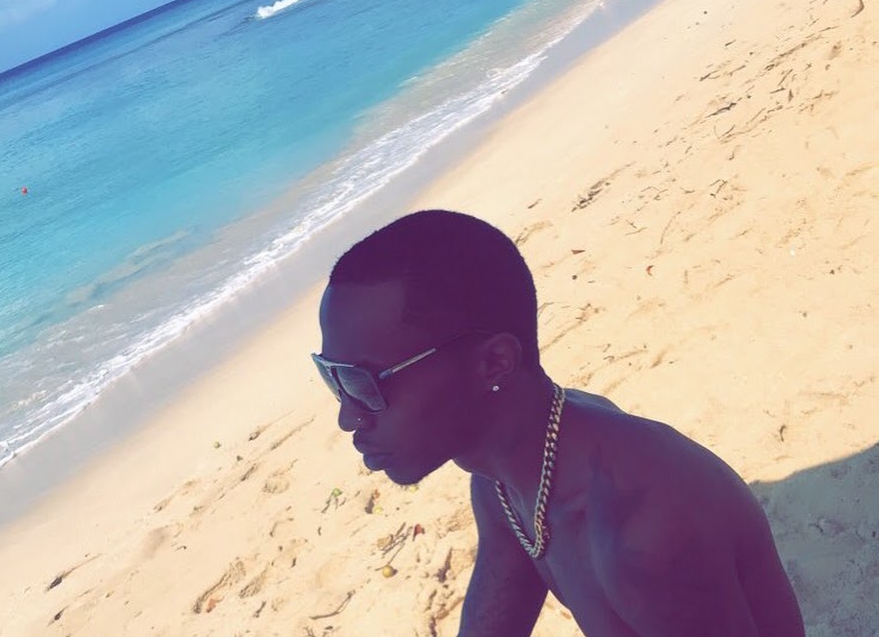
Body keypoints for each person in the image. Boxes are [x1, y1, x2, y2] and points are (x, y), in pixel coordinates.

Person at [313, 210, 806, 637]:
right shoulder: (506, 482)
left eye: (363, 382)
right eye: (333, 377)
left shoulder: (642, 532)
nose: (347, 416)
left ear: (494, 363)